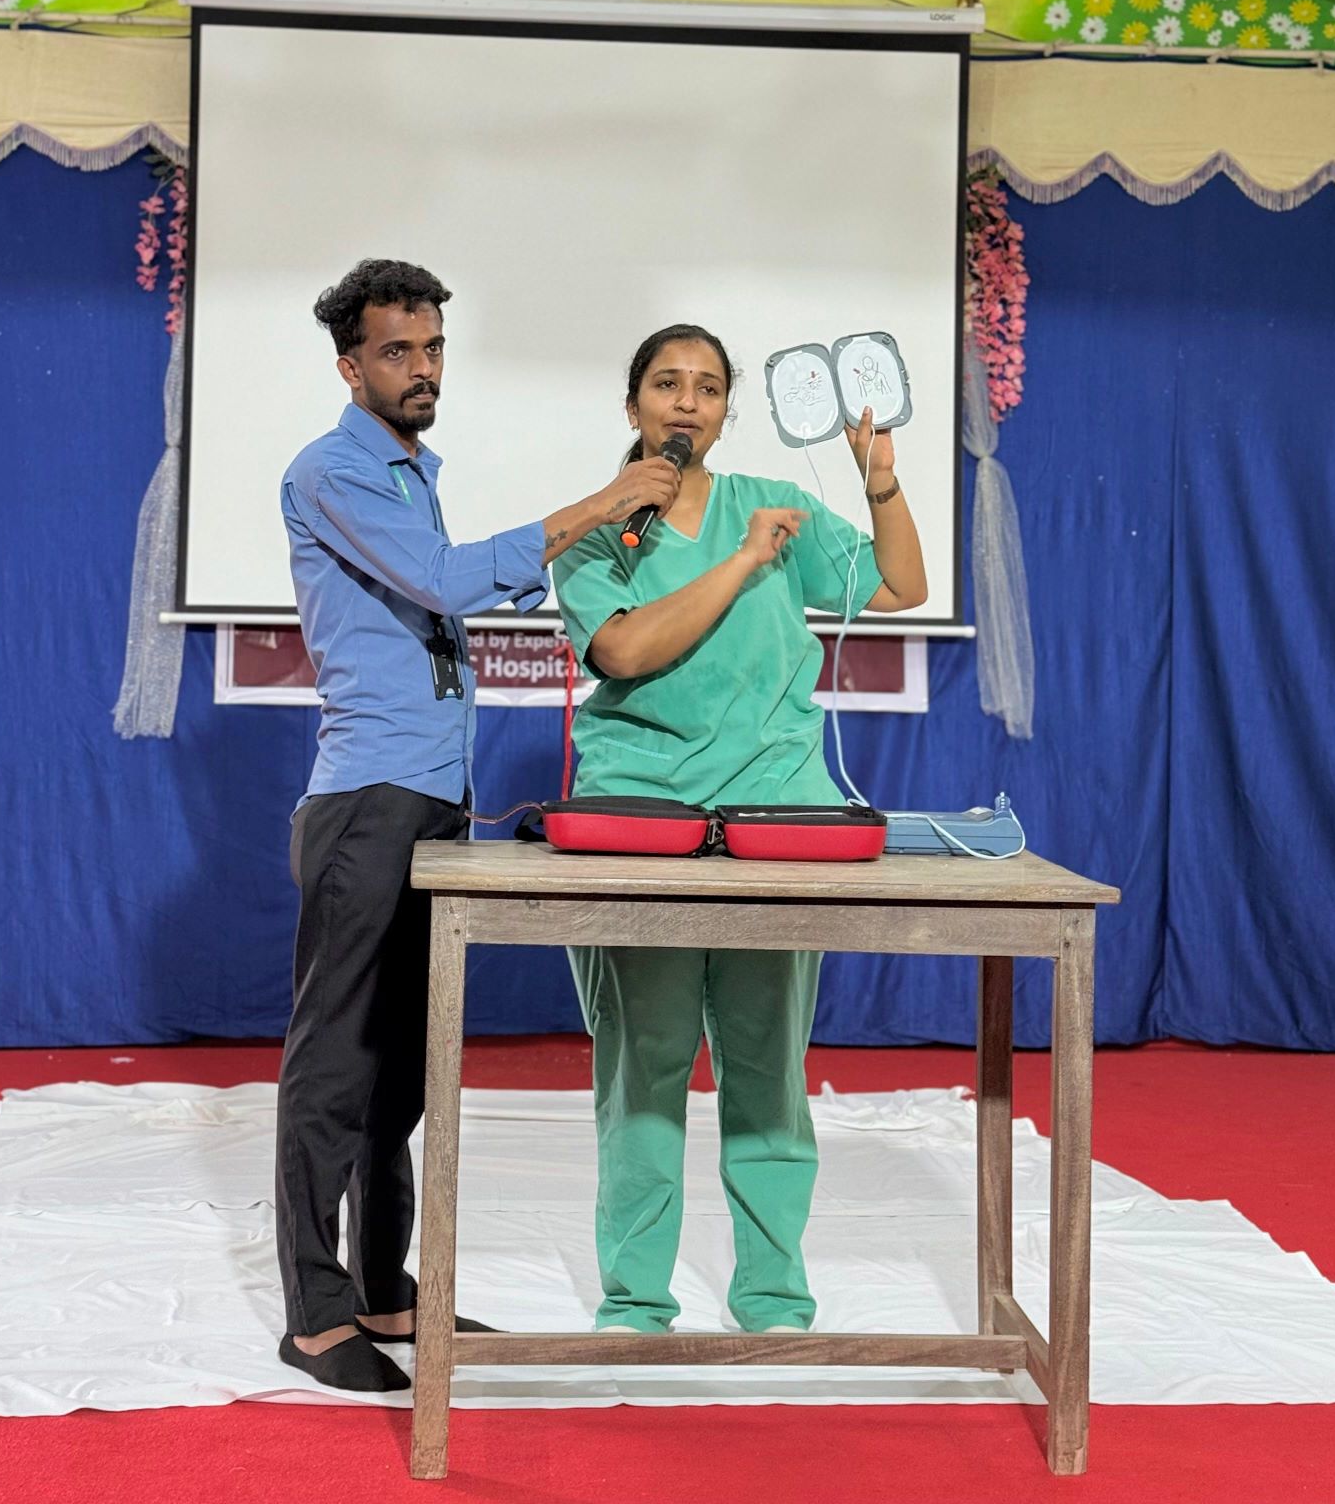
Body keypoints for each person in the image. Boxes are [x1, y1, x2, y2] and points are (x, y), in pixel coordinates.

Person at [275, 259, 681, 1391]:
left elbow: (445, 594)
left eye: (434, 348)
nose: (422, 370)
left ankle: (384, 1292)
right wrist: (600, 502)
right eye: (396, 352)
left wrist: (599, 541)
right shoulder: (330, 471)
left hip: (432, 802)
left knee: (398, 1068)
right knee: (333, 1067)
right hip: (366, 803)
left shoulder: (413, 473)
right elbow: (443, 583)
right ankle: (314, 1316)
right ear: (350, 367)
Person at [553, 323, 926, 1335]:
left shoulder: (778, 505)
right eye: (666, 384)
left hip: (776, 817)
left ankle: (773, 1294)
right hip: (644, 820)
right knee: (643, 1072)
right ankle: (636, 1300)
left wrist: (880, 483)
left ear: (725, 411)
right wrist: (747, 560)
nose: (687, 402)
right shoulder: (596, 532)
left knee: (768, 1070)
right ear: (632, 405)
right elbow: (625, 651)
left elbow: (901, 586)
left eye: (708, 387)